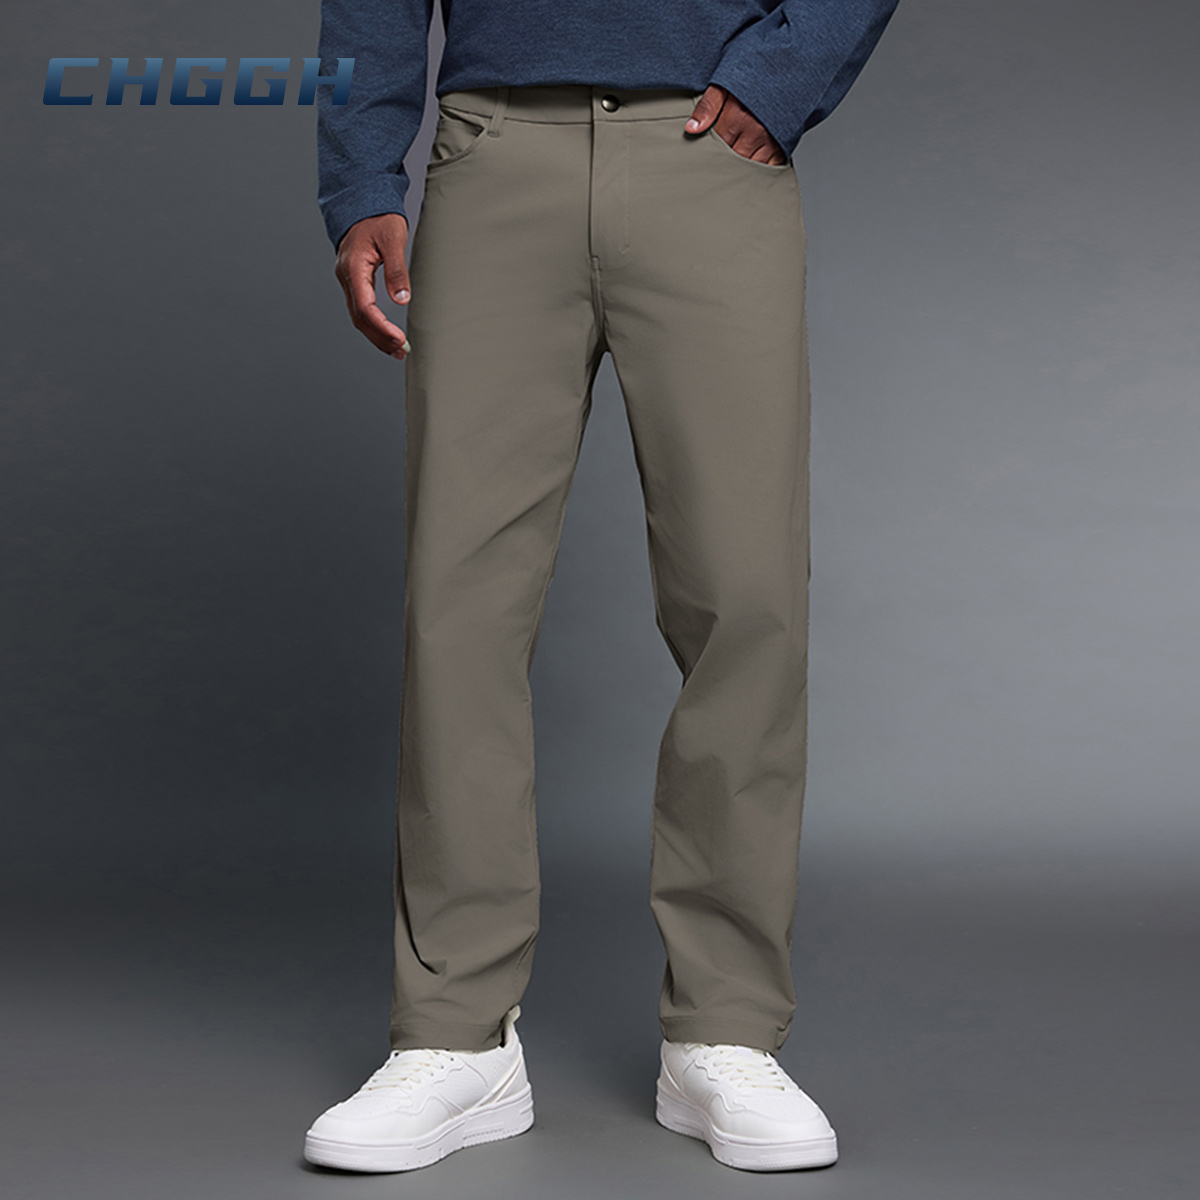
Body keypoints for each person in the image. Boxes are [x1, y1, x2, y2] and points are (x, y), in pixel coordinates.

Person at [303, 0, 898, 1175]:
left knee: (744, 601)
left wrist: (784, 74)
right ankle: (455, 1033)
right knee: (461, 608)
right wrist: (361, 172)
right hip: (493, 152)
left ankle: (725, 1027)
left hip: (708, 154)